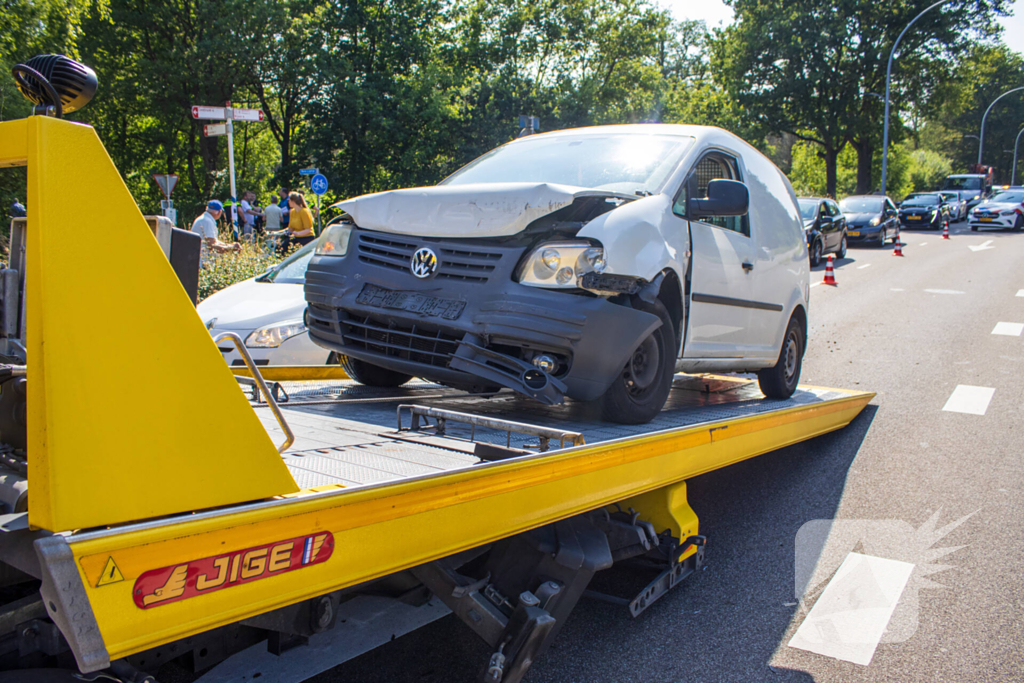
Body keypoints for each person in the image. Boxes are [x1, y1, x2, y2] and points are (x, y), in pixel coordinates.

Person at [191, 200, 240, 266]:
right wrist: (231, 248)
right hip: (202, 261)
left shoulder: (204, 219)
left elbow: (213, 241)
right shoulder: (207, 221)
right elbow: (212, 245)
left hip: (198, 258)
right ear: (219, 212)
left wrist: (228, 245)